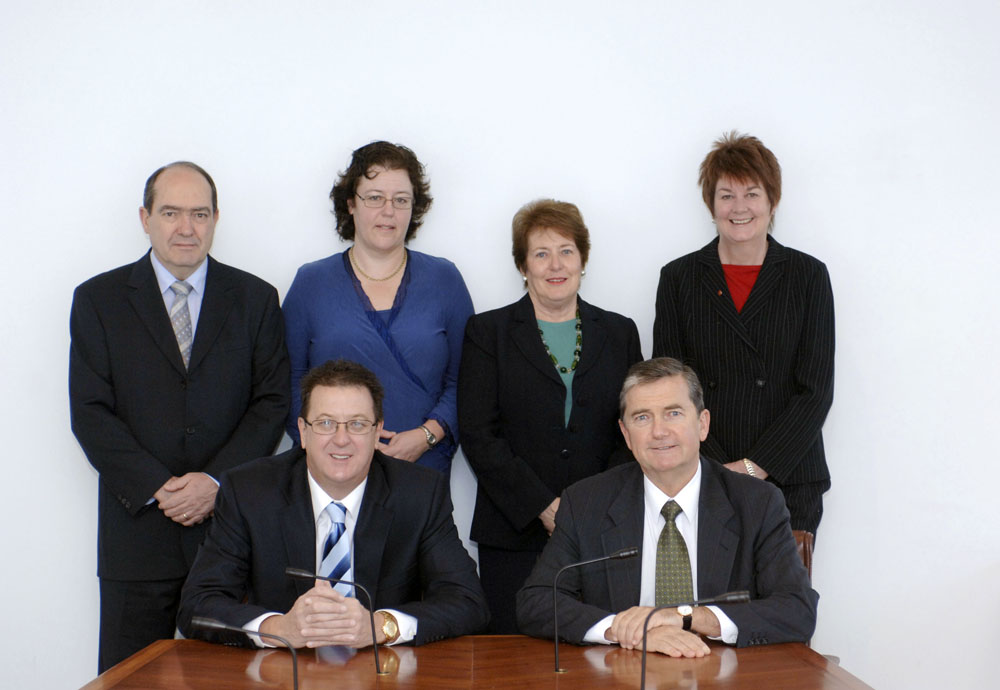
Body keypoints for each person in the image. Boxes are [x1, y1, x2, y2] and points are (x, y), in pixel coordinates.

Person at [69, 161, 290, 672]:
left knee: (235, 680)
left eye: (199, 213)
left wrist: (215, 482)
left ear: (216, 219)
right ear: (145, 218)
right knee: (130, 680)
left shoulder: (256, 299)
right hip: (136, 532)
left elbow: (271, 402)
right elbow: (90, 412)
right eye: (171, 213)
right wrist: (161, 487)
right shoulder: (98, 300)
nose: (185, 228)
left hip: (230, 533)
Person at [178, 359, 490, 648]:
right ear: (303, 432)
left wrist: (381, 626)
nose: (341, 439)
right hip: (282, 673)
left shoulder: (419, 493)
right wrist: (279, 629)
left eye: (356, 424)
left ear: (377, 431)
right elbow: (197, 605)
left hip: (384, 673)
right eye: (326, 423)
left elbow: (467, 601)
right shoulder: (249, 491)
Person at [516, 358, 817, 656]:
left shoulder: (756, 502)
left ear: (702, 424)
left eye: (673, 413)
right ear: (626, 435)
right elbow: (537, 601)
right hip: (623, 672)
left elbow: (797, 609)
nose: (659, 431)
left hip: (721, 671)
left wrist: (686, 617)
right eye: (642, 418)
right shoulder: (586, 502)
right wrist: (623, 629)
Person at [459, 199, 643, 633]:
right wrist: (544, 508)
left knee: (601, 652)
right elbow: (478, 434)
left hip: (602, 531)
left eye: (566, 250)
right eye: (541, 253)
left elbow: (634, 427)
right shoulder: (488, 333)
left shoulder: (620, 332)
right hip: (513, 531)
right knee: (514, 661)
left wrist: (588, 509)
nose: (555, 264)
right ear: (522, 265)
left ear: (583, 258)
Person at [653, 132, 835, 534]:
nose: (740, 208)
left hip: (788, 476)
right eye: (726, 195)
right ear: (710, 204)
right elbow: (669, 388)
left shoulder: (807, 276)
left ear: (772, 201)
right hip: (702, 476)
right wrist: (717, 468)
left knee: (785, 596)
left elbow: (815, 391)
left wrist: (755, 467)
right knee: (706, 598)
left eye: (752, 194)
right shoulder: (679, 278)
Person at [282, 141, 473, 473]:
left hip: (422, 467)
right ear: (351, 204)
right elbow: (289, 379)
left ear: (415, 208)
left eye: (401, 200)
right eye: (375, 198)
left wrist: (428, 435)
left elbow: (468, 379)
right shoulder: (311, 282)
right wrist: (329, 444)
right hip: (333, 469)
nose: (389, 211)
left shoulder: (445, 280)